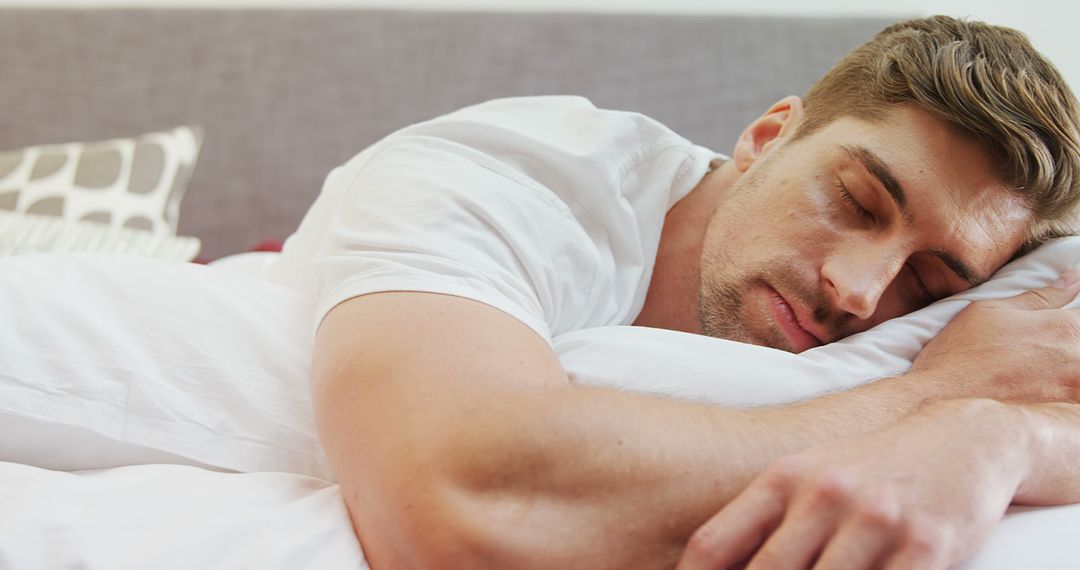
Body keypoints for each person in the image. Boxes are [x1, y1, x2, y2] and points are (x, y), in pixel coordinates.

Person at [267, 15, 1080, 570]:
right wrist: (936, 394)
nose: (861, 293)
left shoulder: (981, 305)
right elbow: (461, 501)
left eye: (927, 279)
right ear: (766, 139)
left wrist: (1009, 440)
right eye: (857, 203)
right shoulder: (494, 179)